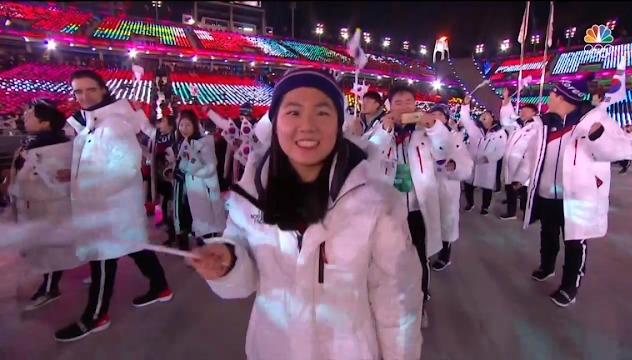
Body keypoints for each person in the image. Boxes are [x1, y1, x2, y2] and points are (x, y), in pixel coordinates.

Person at [191, 68, 423, 360]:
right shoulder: (252, 192)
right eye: (293, 112)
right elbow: (246, 278)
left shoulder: (374, 198)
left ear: (339, 122)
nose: (307, 126)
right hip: (272, 348)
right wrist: (227, 263)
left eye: (322, 113)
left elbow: (397, 298)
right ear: (275, 122)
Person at [56, 70, 172, 342]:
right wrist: (74, 174)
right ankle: (161, 287)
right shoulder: (94, 123)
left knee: (103, 261)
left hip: (109, 210)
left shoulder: (114, 125)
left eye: (90, 90)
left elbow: (127, 166)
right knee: (136, 246)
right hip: (109, 208)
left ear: (103, 90)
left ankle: (95, 317)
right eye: (78, 91)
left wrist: (90, 184)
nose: (83, 96)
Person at [522, 74, 632, 307]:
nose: (549, 96)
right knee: (548, 233)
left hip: (577, 196)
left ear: (563, 97)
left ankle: (569, 285)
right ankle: (547, 266)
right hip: (548, 192)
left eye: (553, 93)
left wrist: (597, 136)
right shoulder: (544, 123)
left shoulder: (596, 120)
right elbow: (534, 154)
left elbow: (622, 150)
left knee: (575, 242)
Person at [367, 85, 471, 327]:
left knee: (419, 259)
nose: (403, 107)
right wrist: (384, 131)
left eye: (408, 102)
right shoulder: (382, 129)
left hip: (417, 210)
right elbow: (369, 154)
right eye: (398, 102)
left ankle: (420, 302)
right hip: (389, 210)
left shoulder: (427, 132)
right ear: (390, 107)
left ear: (416, 105)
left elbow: (446, 151)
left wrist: (433, 127)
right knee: (387, 258)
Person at [7, 99, 72, 311]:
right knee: (42, 249)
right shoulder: (32, 143)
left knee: (51, 249)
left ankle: (50, 288)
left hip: (49, 208)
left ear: (45, 123)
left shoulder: (58, 148)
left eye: (30, 115)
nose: (24, 118)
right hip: (30, 205)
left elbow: (57, 181)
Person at [427, 104, 474, 271]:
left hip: (446, 186)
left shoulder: (455, 139)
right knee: (427, 219)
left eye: (440, 115)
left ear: (446, 119)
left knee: (445, 221)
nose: (436, 117)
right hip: (427, 185)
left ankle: (445, 255)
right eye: (433, 114)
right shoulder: (422, 135)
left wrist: (455, 165)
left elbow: (466, 163)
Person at [172, 109, 225, 251]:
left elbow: (210, 169)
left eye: (188, 125)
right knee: (200, 226)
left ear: (195, 125)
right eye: (181, 125)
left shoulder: (204, 143)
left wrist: (187, 166)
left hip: (205, 192)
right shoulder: (184, 143)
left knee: (209, 229)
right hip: (192, 191)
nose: (184, 128)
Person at [459, 95, 507, 215]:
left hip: (487, 164)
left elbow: (501, 149)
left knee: (487, 186)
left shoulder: (499, 133)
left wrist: (489, 158)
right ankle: (470, 203)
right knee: (468, 182)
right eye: (482, 115)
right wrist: (465, 105)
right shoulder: (474, 129)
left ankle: (485, 206)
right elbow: (465, 119)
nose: (483, 116)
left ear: (492, 118)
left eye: (486, 115)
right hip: (473, 161)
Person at [499, 88, 540, 220]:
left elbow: (532, 152)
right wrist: (506, 101)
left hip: (524, 166)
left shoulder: (537, 129)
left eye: (526, 111)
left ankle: (531, 214)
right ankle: (512, 212)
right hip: (511, 164)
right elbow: (505, 120)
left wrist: (525, 173)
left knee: (525, 192)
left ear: (534, 113)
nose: (522, 112)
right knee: (510, 189)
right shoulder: (518, 126)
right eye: (522, 110)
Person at [139, 111, 178, 245]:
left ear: (171, 125)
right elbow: (145, 127)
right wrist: (139, 111)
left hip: (175, 179)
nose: (159, 124)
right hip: (161, 177)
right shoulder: (158, 136)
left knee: (175, 208)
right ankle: (171, 234)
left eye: (162, 122)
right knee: (166, 206)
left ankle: (179, 237)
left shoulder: (177, 137)